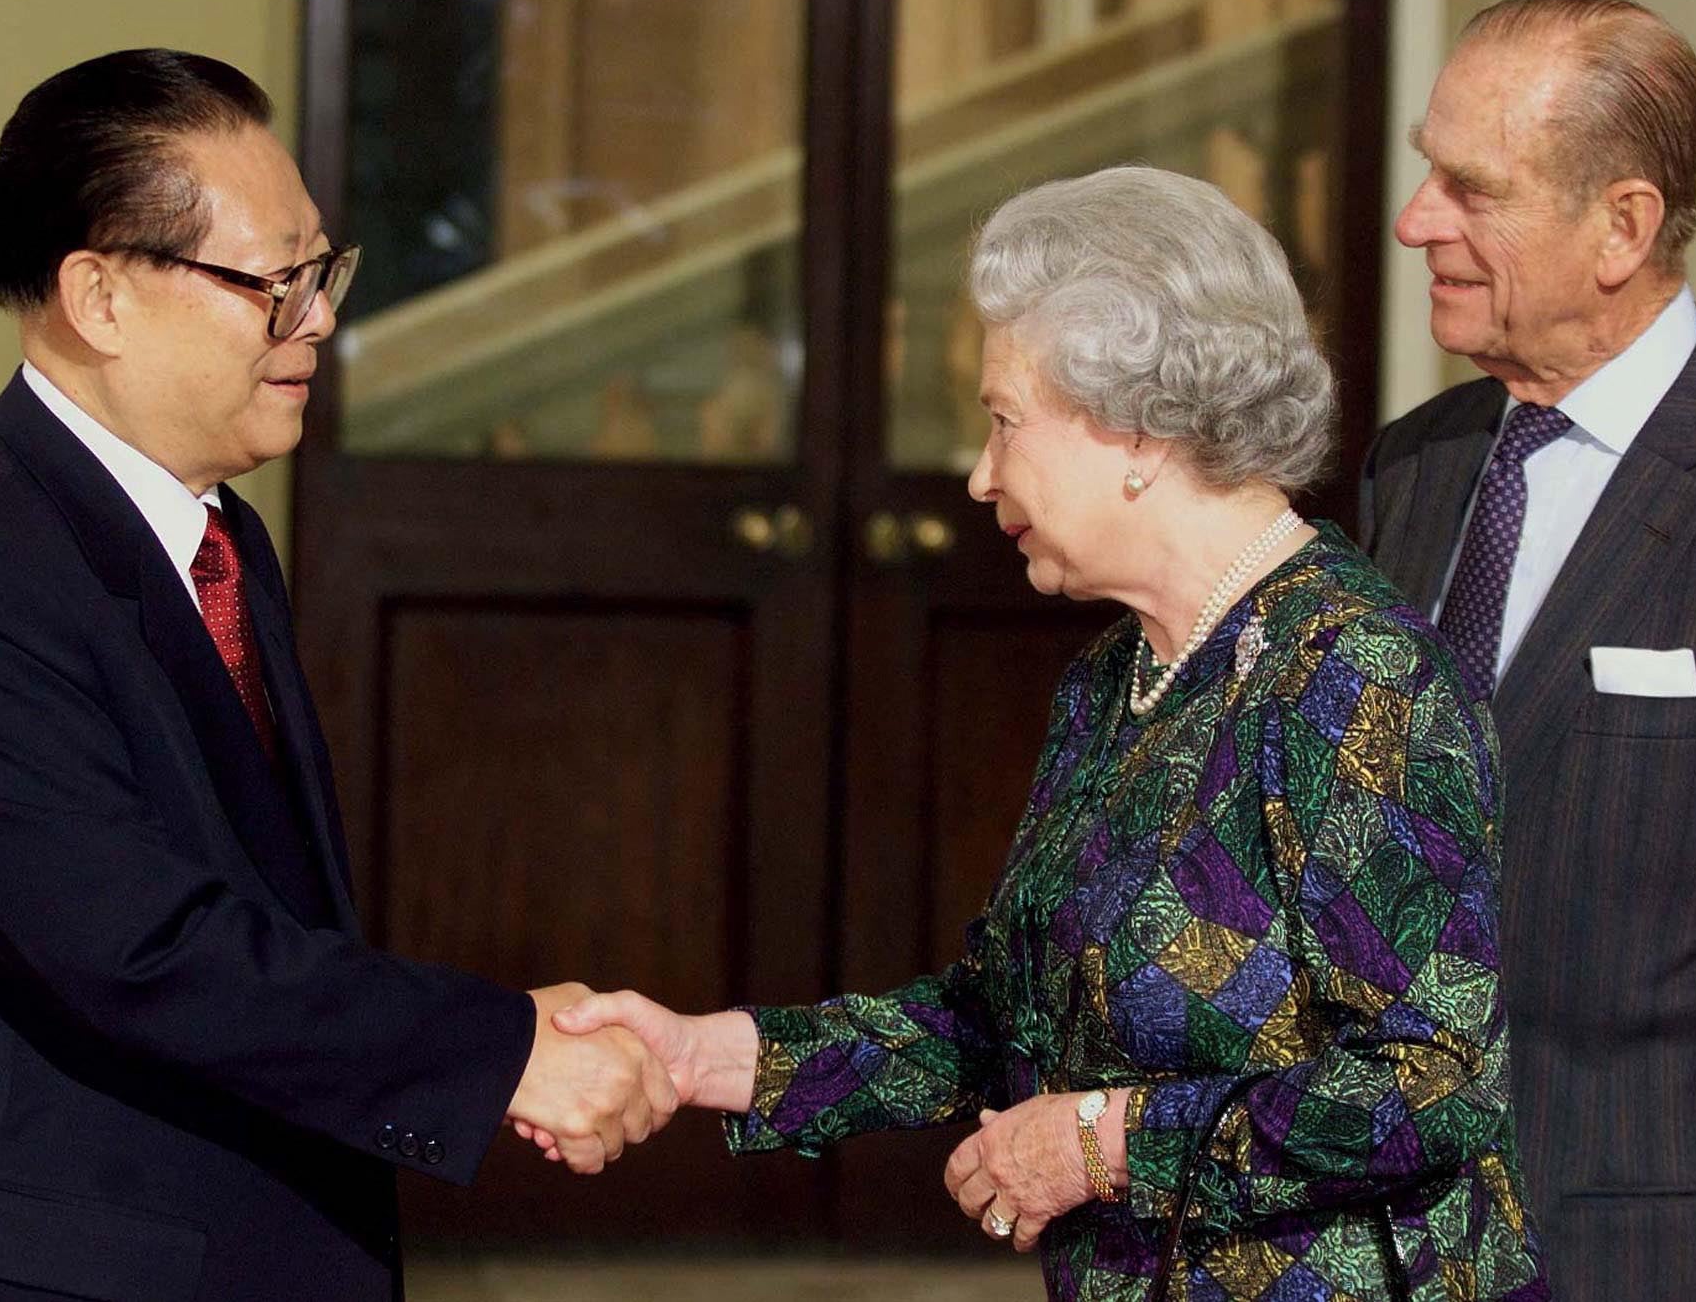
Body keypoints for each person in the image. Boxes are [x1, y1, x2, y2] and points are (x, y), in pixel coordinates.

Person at [541, 167, 1551, 1301]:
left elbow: (1432, 1084)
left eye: (1002, 420)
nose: (978, 476)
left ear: (1137, 429)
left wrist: (1102, 1143)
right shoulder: (1116, 678)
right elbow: (995, 1019)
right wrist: (700, 1058)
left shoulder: (1354, 676)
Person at [0, 50, 674, 1299]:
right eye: (273, 282)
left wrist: (493, 1038)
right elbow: (141, 950)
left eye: (321, 271)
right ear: (99, 297)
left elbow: (259, 917)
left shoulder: (215, 533)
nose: (319, 320)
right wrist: (501, 1052)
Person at [1365, 0, 1696, 1302]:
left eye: (1470, 188)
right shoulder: (1409, 476)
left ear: (1624, 226)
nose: (1416, 219)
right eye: (1429, 171)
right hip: (1365, 1246)